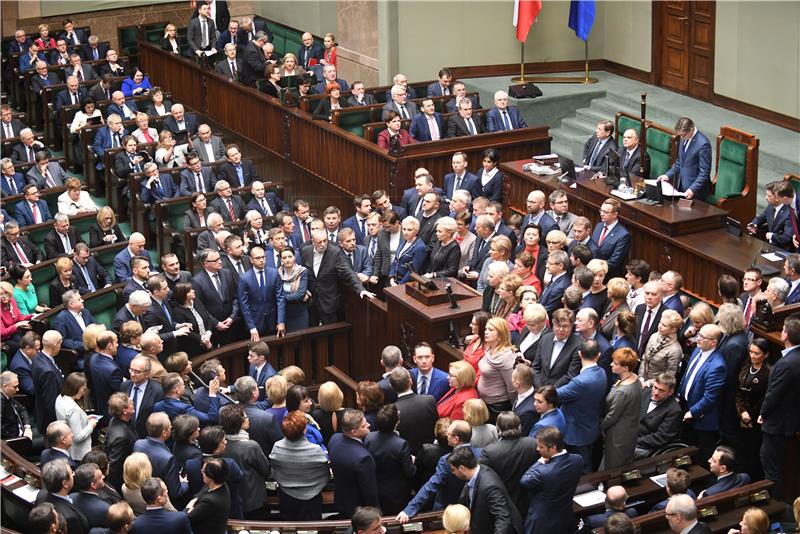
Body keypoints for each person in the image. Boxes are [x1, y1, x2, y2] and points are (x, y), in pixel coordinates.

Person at [301, 229, 374, 324]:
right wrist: (303, 289)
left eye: (325, 240)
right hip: (311, 301)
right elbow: (303, 272)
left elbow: (348, 273)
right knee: (312, 331)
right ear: (312, 241)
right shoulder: (305, 251)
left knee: (331, 332)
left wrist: (361, 289)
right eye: (319, 242)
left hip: (328, 301)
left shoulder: (335, 252)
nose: (323, 244)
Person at [520, 426, 583, 534]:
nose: (537, 449)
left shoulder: (543, 471)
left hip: (541, 523)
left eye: (541, 447)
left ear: (553, 448)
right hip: (565, 518)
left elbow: (524, 481)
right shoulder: (577, 460)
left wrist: (540, 461)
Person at [447, 446, 523, 534]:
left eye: (453, 470)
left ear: (462, 468)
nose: (453, 473)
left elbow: (502, 518)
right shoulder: (475, 471)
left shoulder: (489, 486)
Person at [679, 323, 726, 462]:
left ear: (713, 342)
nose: (698, 338)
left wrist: (693, 412)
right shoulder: (697, 351)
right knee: (685, 448)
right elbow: (687, 375)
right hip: (686, 406)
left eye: (702, 337)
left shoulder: (718, 366)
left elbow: (710, 398)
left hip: (702, 417)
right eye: (699, 335)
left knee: (702, 454)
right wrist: (679, 395)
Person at [363, 404, 416, 515]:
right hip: (397, 494)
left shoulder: (369, 438)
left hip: (376, 490)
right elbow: (410, 472)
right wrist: (412, 462)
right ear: (397, 422)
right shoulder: (401, 444)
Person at [132, 413, 189, 506]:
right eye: (170, 428)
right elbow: (176, 492)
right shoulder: (168, 458)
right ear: (164, 432)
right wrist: (184, 483)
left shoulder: (138, 444)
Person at [601, 348, 642, 469]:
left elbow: (611, 417)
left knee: (614, 469)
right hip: (629, 432)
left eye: (615, 363)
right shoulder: (635, 378)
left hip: (618, 437)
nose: (611, 364)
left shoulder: (623, 391)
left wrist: (600, 426)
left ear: (625, 368)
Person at [735, 338, 770, 480]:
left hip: (756, 419)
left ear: (765, 355)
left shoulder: (768, 372)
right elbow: (739, 392)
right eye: (751, 352)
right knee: (741, 449)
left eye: (757, 353)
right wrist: (741, 411)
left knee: (753, 452)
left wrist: (749, 416)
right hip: (742, 415)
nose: (753, 356)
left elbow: (765, 399)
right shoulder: (746, 365)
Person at [658, 117, 712, 201]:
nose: (681, 138)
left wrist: (693, 189)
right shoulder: (683, 138)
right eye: (680, 135)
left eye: (683, 135)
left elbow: (704, 173)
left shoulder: (703, 144)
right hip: (682, 187)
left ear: (691, 129)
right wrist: (667, 175)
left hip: (696, 192)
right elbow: (680, 161)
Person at [635, 372, 683, 459]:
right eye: (655, 387)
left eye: (661, 390)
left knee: (622, 452)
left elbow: (661, 437)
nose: (656, 392)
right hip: (632, 436)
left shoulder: (674, 410)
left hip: (648, 446)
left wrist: (634, 441)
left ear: (670, 392)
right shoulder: (645, 393)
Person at [39, 459, 90, 534]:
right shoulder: (70, 518)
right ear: (65, 483)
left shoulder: (41, 494)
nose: (74, 474)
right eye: (71, 473)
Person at [533, 308, 581, 388]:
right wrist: (539, 387)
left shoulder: (577, 345)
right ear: (553, 324)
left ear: (571, 326)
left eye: (565, 326)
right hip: (539, 389)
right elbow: (536, 367)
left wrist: (549, 392)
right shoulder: (545, 339)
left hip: (558, 392)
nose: (561, 329)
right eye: (558, 326)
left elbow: (570, 375)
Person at [185, 458, 231, 534]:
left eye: (203, 472)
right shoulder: (218, 485)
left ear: (211, 477)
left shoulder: (210, 501)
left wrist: (189, 507)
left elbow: (187, 518)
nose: (201, 473)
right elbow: (196, 496)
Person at [641, 309, 684, 385]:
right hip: (642, 381)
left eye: (664, 325)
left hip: (657, 387)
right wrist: (641, 377)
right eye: (660, 322)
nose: (660, 326)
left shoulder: (675, 350)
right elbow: (644, 359)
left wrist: (648, 383)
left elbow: (668, 376)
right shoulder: (654, 336)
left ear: (673, 329)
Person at [591, 198, 631, 279]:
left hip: (608, 276)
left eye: (605, 212)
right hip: (591, 272)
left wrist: (595, 269)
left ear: (615, 214)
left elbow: (614, 261)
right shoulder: (599, 226)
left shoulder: (623, 235)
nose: (601, 214)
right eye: (601, 210)